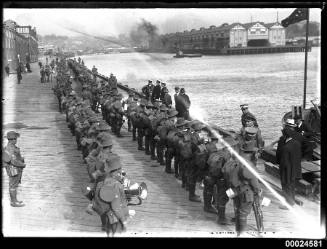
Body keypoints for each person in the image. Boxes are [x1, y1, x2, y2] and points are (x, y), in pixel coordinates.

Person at [91, 156, 130, 236]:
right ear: (116, 171)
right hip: (115, 219)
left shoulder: (100, 183)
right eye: (119, 170)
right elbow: (116, 207)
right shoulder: (116, 185)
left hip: (107, 217)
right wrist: (123, 221)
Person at [277, 119, 303, 209]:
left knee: (286, 185)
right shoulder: (296, 143)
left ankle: (289, 204)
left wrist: (280, 166)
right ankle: (292, 200)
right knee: (292, 185)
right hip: (295, 167)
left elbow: (283, 161)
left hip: (287, 169)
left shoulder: (285, 147)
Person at [2, 131, 26, 207]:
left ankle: (15, 200)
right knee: (13, 186)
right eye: (15, 139)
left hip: (13, 168)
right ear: (13, 139)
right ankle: (13, 202)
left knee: (14, 185)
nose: (16, 140)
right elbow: (13, 161)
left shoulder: (10, 147)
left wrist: (21, 158)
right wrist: (22, 165)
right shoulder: (10, 148)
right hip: (13, 169)